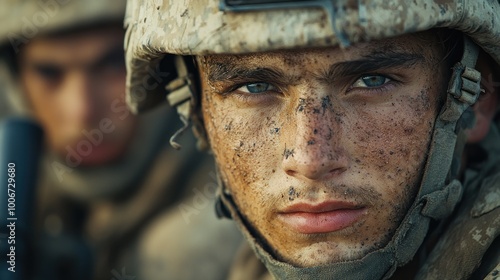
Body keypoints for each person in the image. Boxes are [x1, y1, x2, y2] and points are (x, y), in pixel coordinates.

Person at [123, 0, 500, 279]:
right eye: (254, 87)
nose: (310, 159)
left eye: (372, 80)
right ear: (197, 111)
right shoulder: (181, 263)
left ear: (476, 100)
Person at [0, 0, 242, 279]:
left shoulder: (231, 215)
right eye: (49, 73)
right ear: (17, 83)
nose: (82, 110)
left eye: (113, 64)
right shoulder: (18, 189)